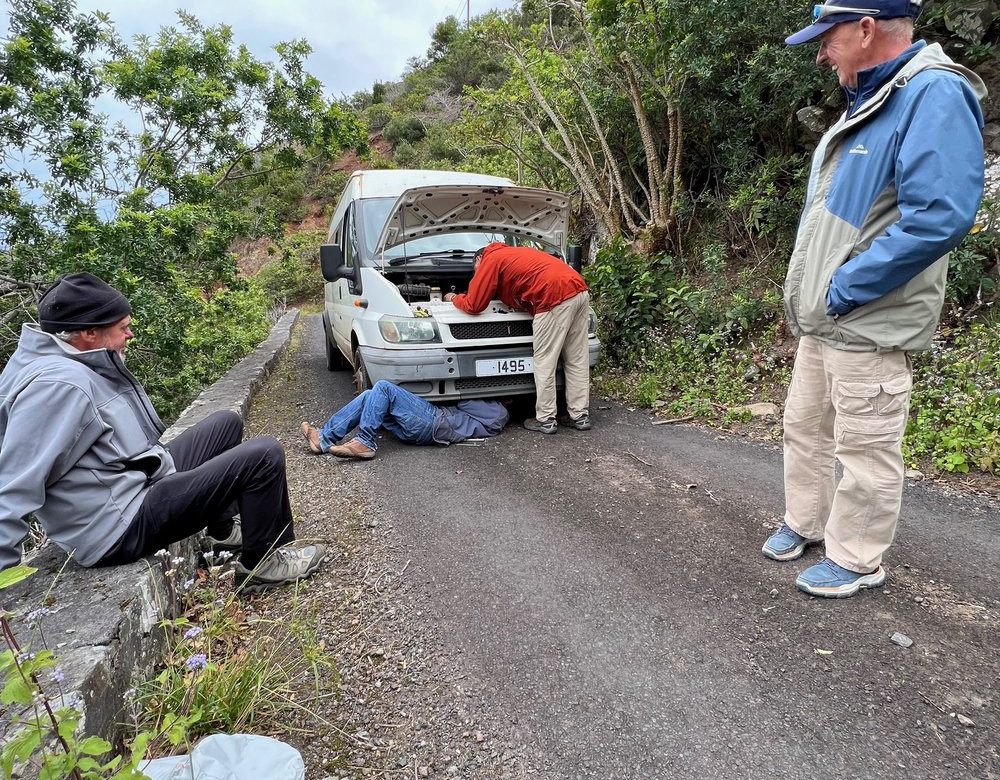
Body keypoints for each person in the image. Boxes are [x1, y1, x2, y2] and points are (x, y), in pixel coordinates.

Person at [763, 0, 986, 599]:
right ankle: (805, 523)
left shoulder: (931, 93)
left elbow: (940, 214)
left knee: (865, 444)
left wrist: (848, 283)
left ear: (866, 29)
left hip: (867, 313)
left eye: (827, 39)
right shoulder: (875, 97)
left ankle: (858, 557)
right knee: (804, 426)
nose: (821, 54)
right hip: (826, 317)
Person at [0, 272, 323, 585]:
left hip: (130, 484)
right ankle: (261, 564)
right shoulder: (57, 386)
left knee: (225, 423)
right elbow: (13, 484)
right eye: (123, 328)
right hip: (118, 525)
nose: (130, 336)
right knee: (263, 455)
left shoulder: (55, 361)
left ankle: (222, 534)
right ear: (89, 333)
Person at [444, 243, 590, 435]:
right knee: (576, 358)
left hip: (553, 296)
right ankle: (579, 416)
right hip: (579, 289)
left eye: (475, 272)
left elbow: (474, 304)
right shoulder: (515, 253)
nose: (477, 276)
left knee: (545, 361)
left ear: (479, 259)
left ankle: (546, 419)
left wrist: (454, 298)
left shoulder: (490, 258)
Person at [301, 380, 508, 458]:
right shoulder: (493, 412)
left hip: (434, 423)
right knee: (369, 396)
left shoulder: (499, 413)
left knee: (383, 387)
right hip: (427, 427)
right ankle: (324, 439)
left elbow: (463, 401)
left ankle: (365, 441)